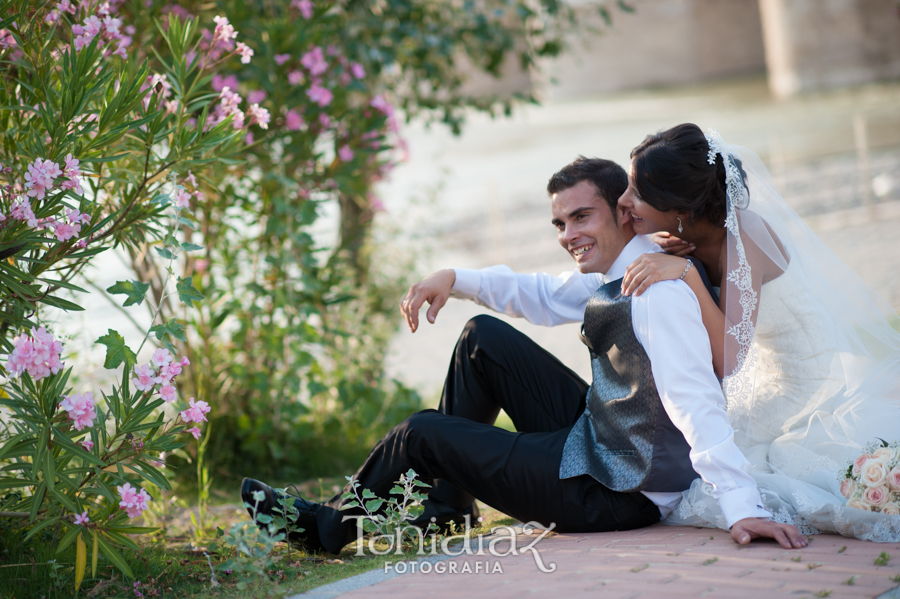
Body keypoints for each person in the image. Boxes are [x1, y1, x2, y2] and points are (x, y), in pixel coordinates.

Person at [241, 156, 807, 554]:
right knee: (481, 338)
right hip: (601, 442)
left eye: (581, 217)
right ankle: (446, 508)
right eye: (560, 222)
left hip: (617, 494)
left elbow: (694, 397)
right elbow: (539, 293)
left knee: (422, 433)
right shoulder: (627, 263)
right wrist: (455, 277)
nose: (567, 233)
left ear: (624, 211)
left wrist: (741, 506)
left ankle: (325, 529)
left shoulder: (656, 290)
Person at [616, 123, 900, 541]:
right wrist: (680, 258)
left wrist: (688, 277)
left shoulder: (744, 234)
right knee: (691, 437)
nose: (624, 202)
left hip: (803, 381)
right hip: (767, 372)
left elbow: (730, 357)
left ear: (678, 206)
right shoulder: (688, 235)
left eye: (637, 193)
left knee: (711, 464)